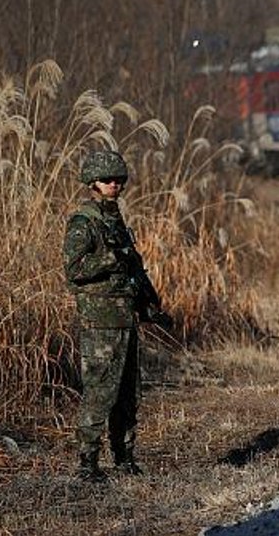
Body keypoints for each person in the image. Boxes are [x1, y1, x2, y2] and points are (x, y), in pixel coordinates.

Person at [62, 150, 171, 482]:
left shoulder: (115, 218)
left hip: (125, 318)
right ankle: (87, 464)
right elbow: (74, 270)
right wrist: (111, 258)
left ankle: (124, 458)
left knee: (127, 393)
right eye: (108, 179)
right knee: (100, 392)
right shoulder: (84, 221)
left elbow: (133, 270)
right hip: (101, 321)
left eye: (118, 179)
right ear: (92, 182)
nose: (114, 184)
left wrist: (149, 306)